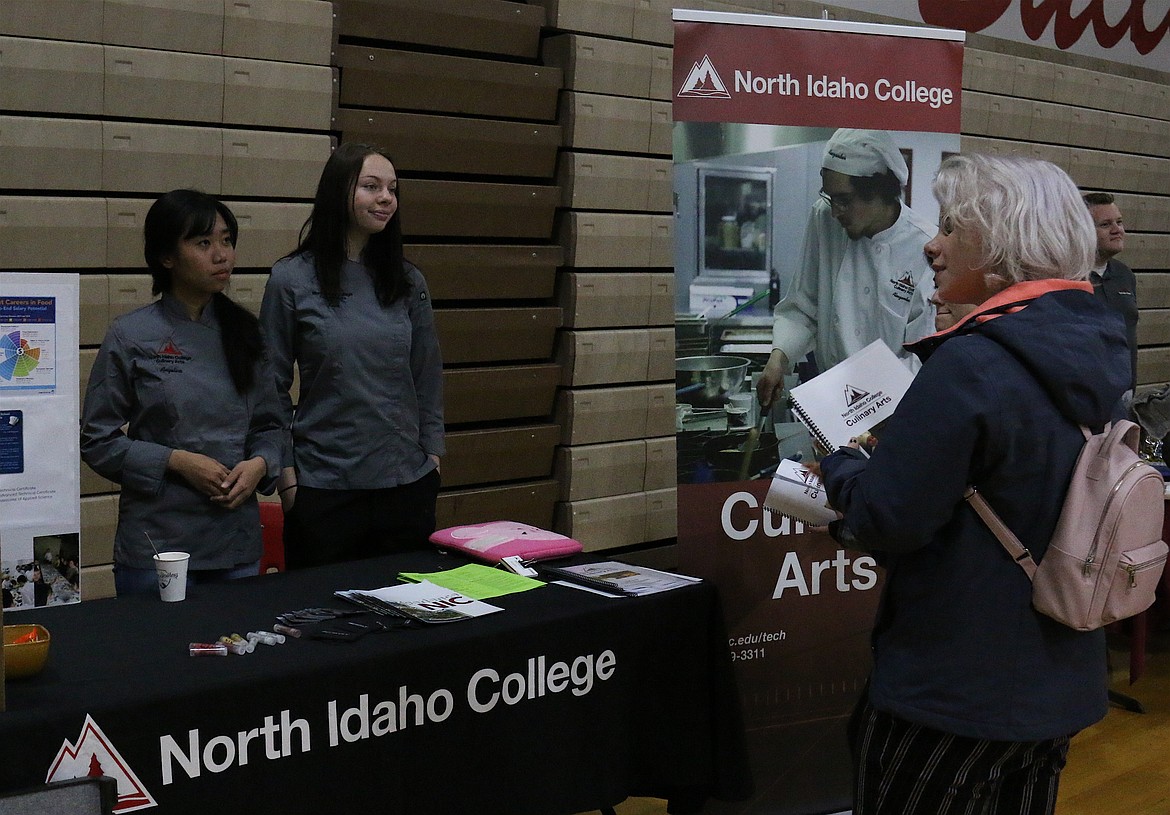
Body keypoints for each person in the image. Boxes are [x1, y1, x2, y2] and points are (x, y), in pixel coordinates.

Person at [817, 154, 1128, 815]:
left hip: (953, 687)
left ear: (1005, 241)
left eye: (954, 227)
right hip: (1058, 676)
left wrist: (843, 466)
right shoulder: (1096, 342)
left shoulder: (972, 361)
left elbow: (888, 519)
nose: (932, 243)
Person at [81, 190, 283, 596]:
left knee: (236, 653)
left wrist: (261, 463)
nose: (221, 254)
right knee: (157, 655)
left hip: (234, 542)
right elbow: (96, 440)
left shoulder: (246, 333)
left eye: (227, 240)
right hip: (158, 542)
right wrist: (175, 461)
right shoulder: (131, 334)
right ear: (166, 257)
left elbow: (274, 423)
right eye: (203, 243)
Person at [259, 143, 444, 568]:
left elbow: (427, 375)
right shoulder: (291, 279)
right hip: (324, 490)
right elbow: (268, 386)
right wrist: (287, 481)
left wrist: (432, 458)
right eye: (371, 186)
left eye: (392, 189)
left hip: (405, 487)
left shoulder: (407, 280)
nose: (386, 198)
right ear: (338, 191)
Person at [756, 129, 936, 408]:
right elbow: (803, 305)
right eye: (830, 198)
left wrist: (864, 407)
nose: (836, 211)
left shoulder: (924, 246)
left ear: (879, 192)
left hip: (892, 405)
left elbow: (920, 356)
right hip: (831, 396)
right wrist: (779, 358)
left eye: (844, 200)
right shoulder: (824, 218)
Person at [1084, 192, 1137, 392]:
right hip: (1086, 396)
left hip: (1125, 392)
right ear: (1084, 231)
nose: (1117, 230)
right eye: (1106, 225)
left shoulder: (1124, 275)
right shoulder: (1069, 277)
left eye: (1119, 222)